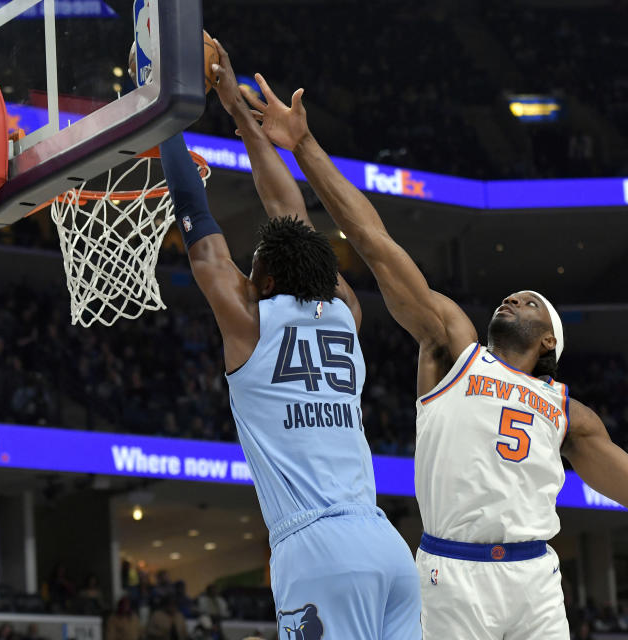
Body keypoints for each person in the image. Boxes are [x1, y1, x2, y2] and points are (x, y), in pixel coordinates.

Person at [241, 72, 628, 640]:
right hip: (453, 572)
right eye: (512, 294)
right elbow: (373, 242)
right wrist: (306, 146)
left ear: (549, 341)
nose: (515, 295)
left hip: (533, 576)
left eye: (531, 301)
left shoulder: (568, 413)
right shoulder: (453, 346)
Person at [150, 39, 420, 638]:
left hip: (318, 551)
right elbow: (287, 216)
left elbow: (202, 234)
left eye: (254, 267)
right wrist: (231, 103)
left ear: (265, 279)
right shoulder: (344, 312)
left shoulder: (250, 326)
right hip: (387, 546)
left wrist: (165, 116)